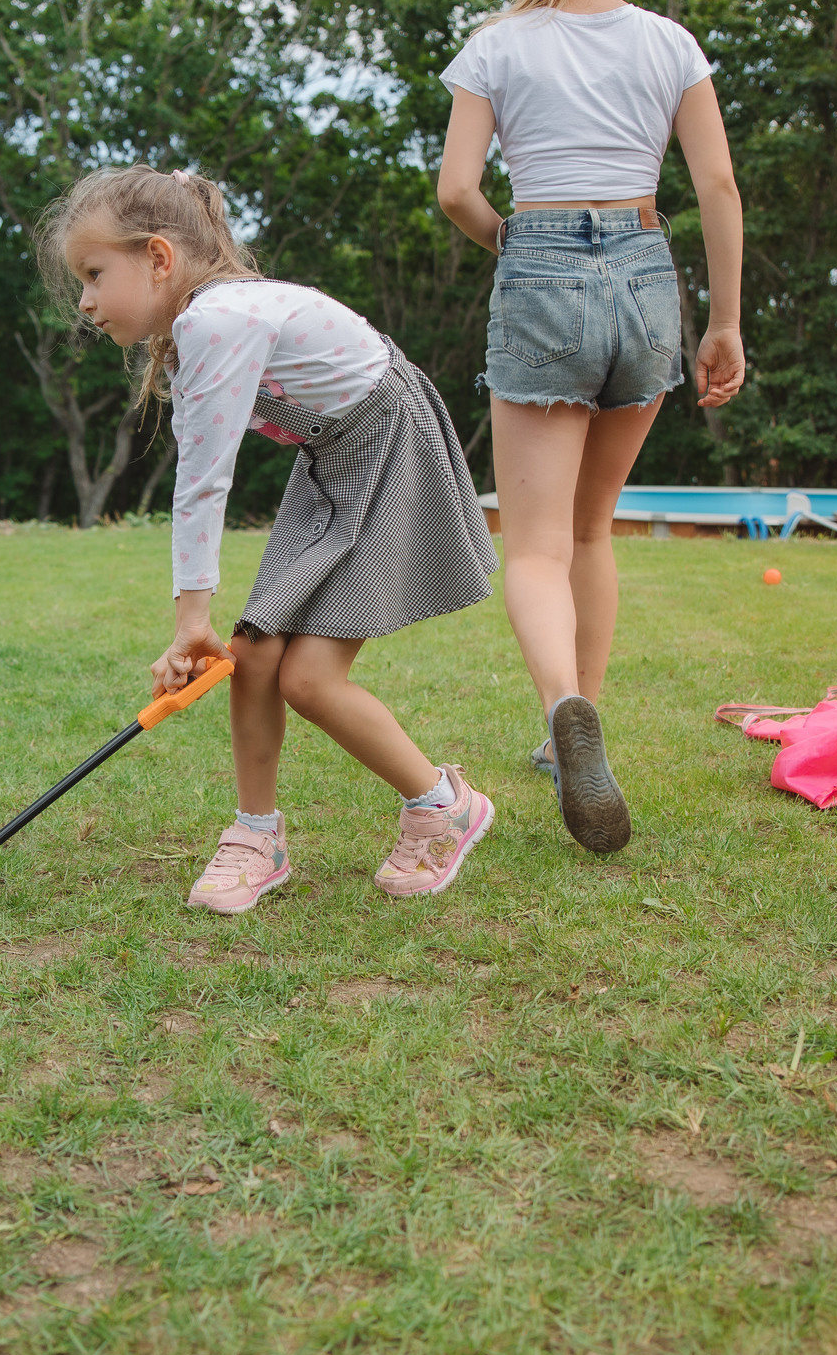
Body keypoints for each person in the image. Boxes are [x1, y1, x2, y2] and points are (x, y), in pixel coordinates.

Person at [42, 166, 500, 913]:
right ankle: (258, 835)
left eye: (94, 275)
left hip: (387, 451)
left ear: (158, 257)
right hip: (333, 463)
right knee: (253, 656)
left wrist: (191, 618)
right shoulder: (202, 325)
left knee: (310, 679)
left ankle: (443, 803)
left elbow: (204, 482)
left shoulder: (214, 320)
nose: (86, 301)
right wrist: (200, 622)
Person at [435, 0, 747, 854]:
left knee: (528, 544)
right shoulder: (667, 42)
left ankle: (563, 710)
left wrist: (515, 245)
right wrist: (723, 324)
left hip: (542, 265)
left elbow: (455, 190)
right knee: (589, 528)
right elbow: (720, 189)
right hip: (646, 271)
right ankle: (581, 718)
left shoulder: (495, 48)